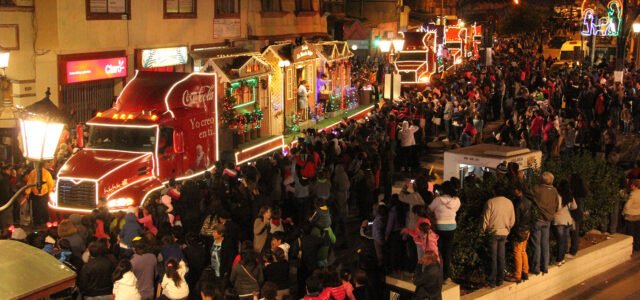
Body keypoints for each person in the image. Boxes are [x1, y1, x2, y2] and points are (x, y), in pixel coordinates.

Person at [482, 187, 515, 288]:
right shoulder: (509, 202)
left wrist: (482, 231)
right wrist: (508, 229)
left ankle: (492, 280)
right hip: (504, 232)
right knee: (501, 257)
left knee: (493, 257)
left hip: (493, 232)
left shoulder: (490, 202)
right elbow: (512, 220)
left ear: (494, 191)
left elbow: (485, 219)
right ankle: (500, 280)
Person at [428, 181, 461, 280]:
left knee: (439, 251)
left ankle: (439, 273)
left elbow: (429, 209)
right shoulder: (457, 200)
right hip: (451, 227)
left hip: (439, 227)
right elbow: (455, 210)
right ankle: (447, 275)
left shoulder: (438, 200)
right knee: (447, 251)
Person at [531, 172, 559, 275]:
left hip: (538, 219)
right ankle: (545, 266)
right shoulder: (555, 191)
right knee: (545, 244)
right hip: (548, 220)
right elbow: (557, 205)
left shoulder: (536, 189)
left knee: (536, 244)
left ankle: (536, 267)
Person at [508, 184, 534, 283]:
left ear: (519, 190)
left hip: (519, 230)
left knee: (517, 252)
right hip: (527, 229)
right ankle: (525, 272)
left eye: (514, 189)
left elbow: (516, 220)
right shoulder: (528, 201)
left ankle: (518, 275)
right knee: (523, 251)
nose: (513, 191)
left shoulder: (517, 203)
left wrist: (514, 231)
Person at [553, 180, 577, 266]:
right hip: (567, 221)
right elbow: (574, 206)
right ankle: (562, 258)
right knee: (565, 240)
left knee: (560, 241)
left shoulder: (558, 196)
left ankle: (559, 259)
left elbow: (557, 207)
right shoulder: (569, 196)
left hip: (559, 221)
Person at [24, 162, 55, 226]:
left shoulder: (46, 173)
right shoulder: (33, 173)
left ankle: (44, 221)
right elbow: (29, 183)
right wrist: (27, 193)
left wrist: (50, 193)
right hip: (35, 194)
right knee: (36, 208)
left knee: (44, 208)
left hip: (44, 194)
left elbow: (50, 185)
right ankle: (37, 222)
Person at [623, 179, 640, 252]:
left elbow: (627, 206)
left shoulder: (633, 195)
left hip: (631, 216)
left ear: (636, 186)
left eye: (632, 185)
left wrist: (624, 212)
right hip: (638, 215)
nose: (630, 186)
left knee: (631, 232)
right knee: (637, 232)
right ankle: (637, 246)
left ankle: (632, 247)